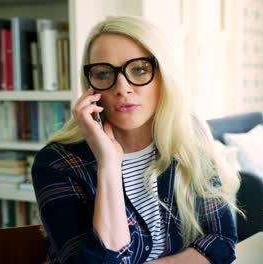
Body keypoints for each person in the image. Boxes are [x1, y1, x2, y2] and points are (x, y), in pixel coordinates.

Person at [32, 15, 240, 264]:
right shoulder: (56, 163)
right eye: (104, 73)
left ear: (163, 75)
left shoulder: (190, 137)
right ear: (90, 87)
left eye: (139, 69)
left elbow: (221, 240)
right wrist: (108, 166)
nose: (122, 87)